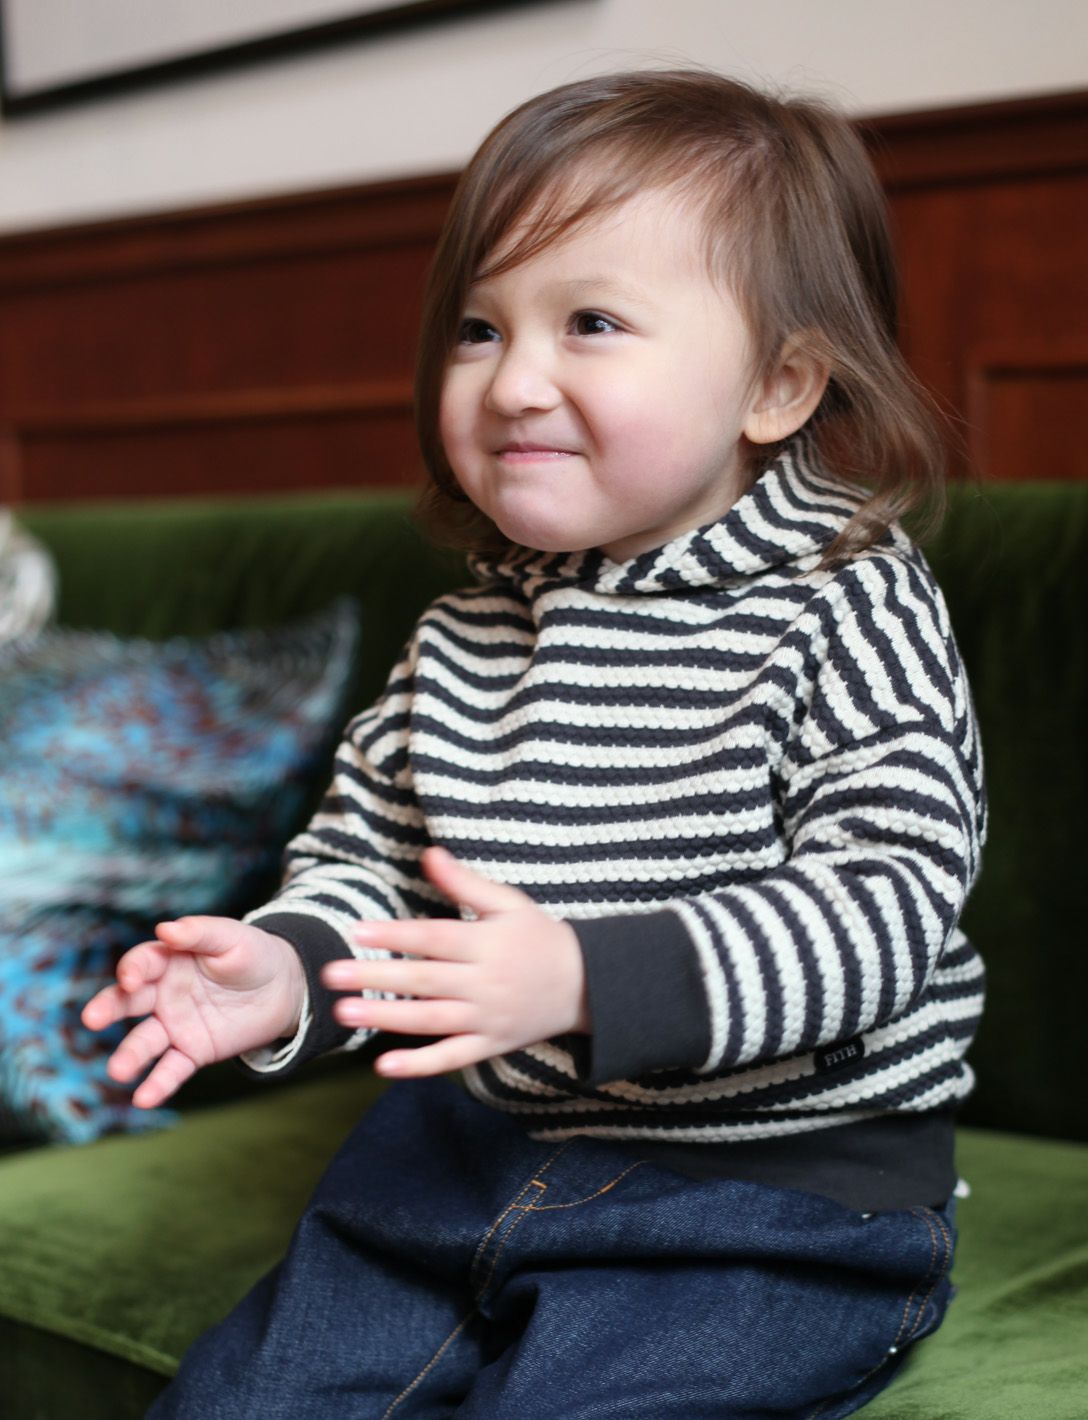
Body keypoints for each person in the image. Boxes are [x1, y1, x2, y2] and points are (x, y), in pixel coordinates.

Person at [83, 68, 986, 1419]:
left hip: (770, 1195)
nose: (513, 383)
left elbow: (887, 905)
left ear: (780, 384)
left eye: (592, 323)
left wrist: (583, 975)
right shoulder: (460, 635)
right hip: (467, 1154)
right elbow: (369, 869)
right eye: (478, 328)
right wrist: (288, 967)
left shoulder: (846, 599)